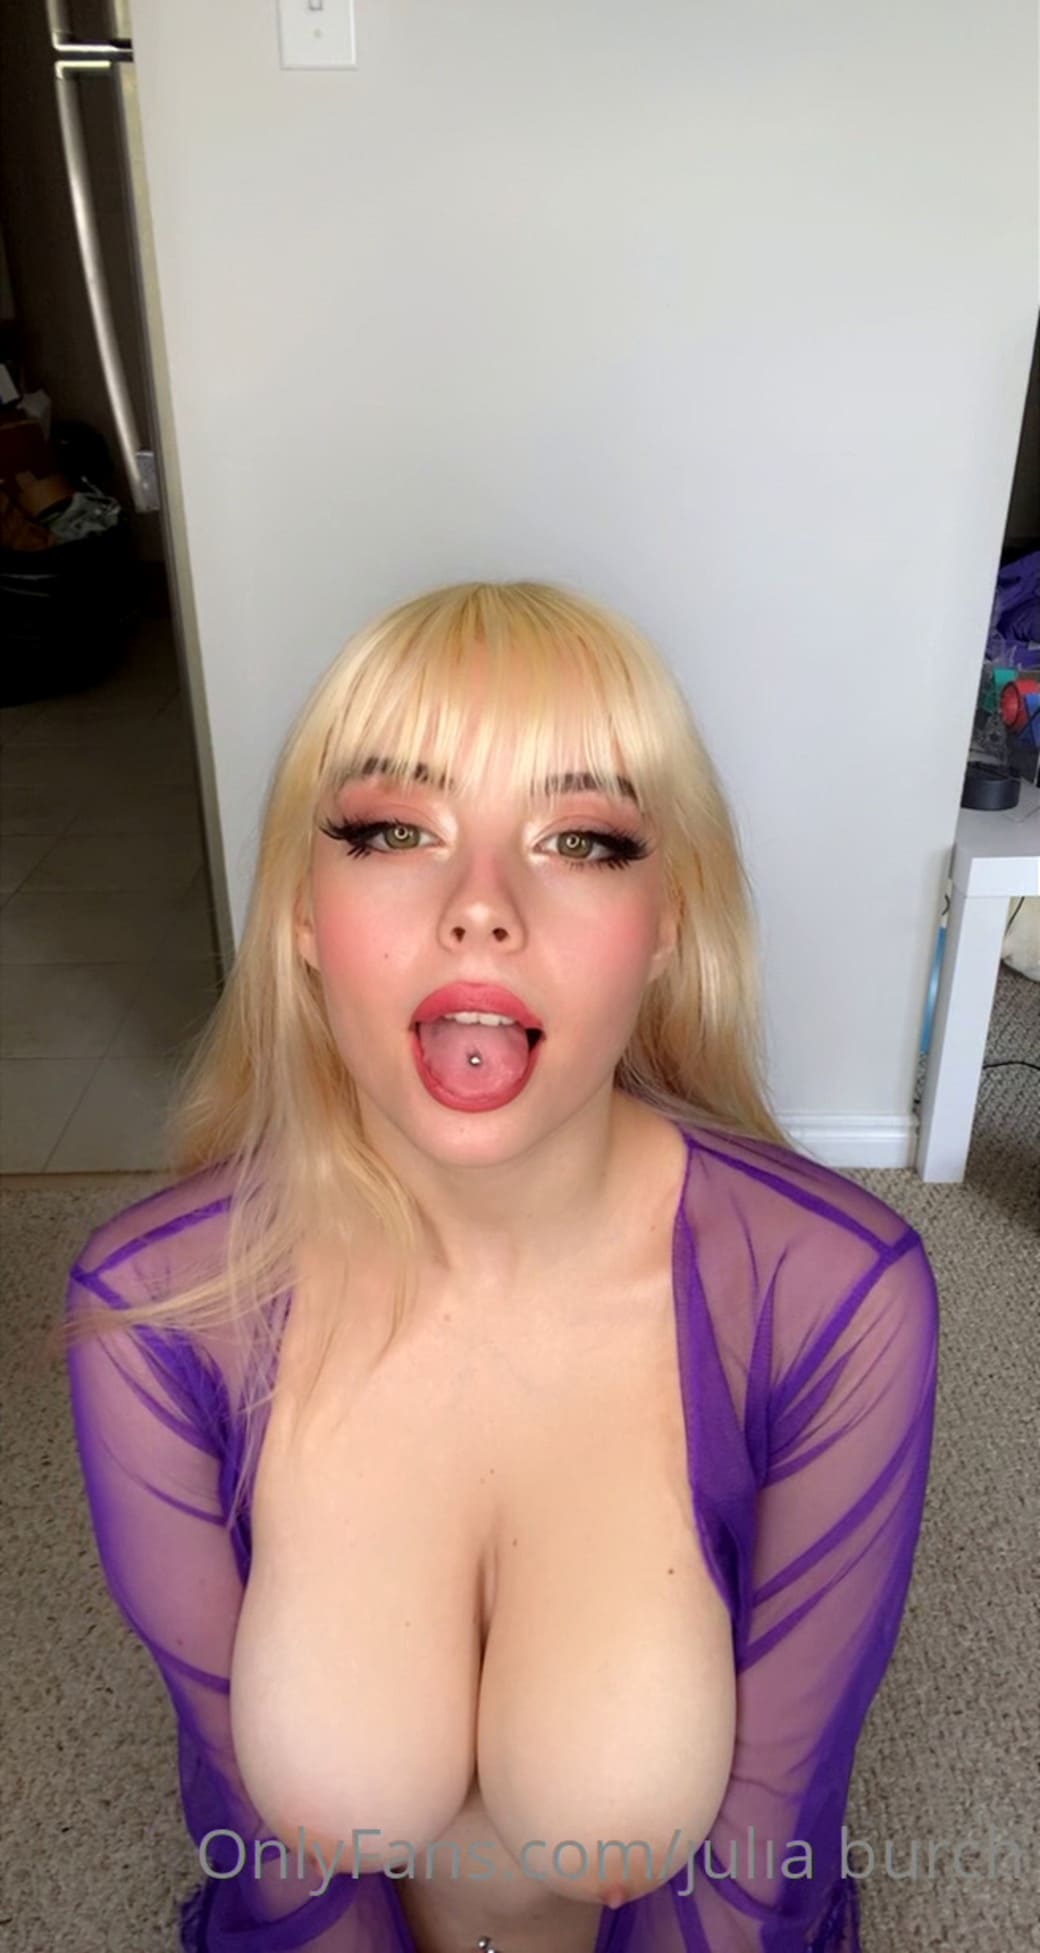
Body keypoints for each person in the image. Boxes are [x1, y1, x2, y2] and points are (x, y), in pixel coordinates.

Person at [60, 580, 939, 1953]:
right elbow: (269, 1858)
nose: (481, 906)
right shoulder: (158, 1317)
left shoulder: (836, 1299)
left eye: (581, 839)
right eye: (394, 830)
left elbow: (756, 1870)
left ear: (669, 921)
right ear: (300, 912)